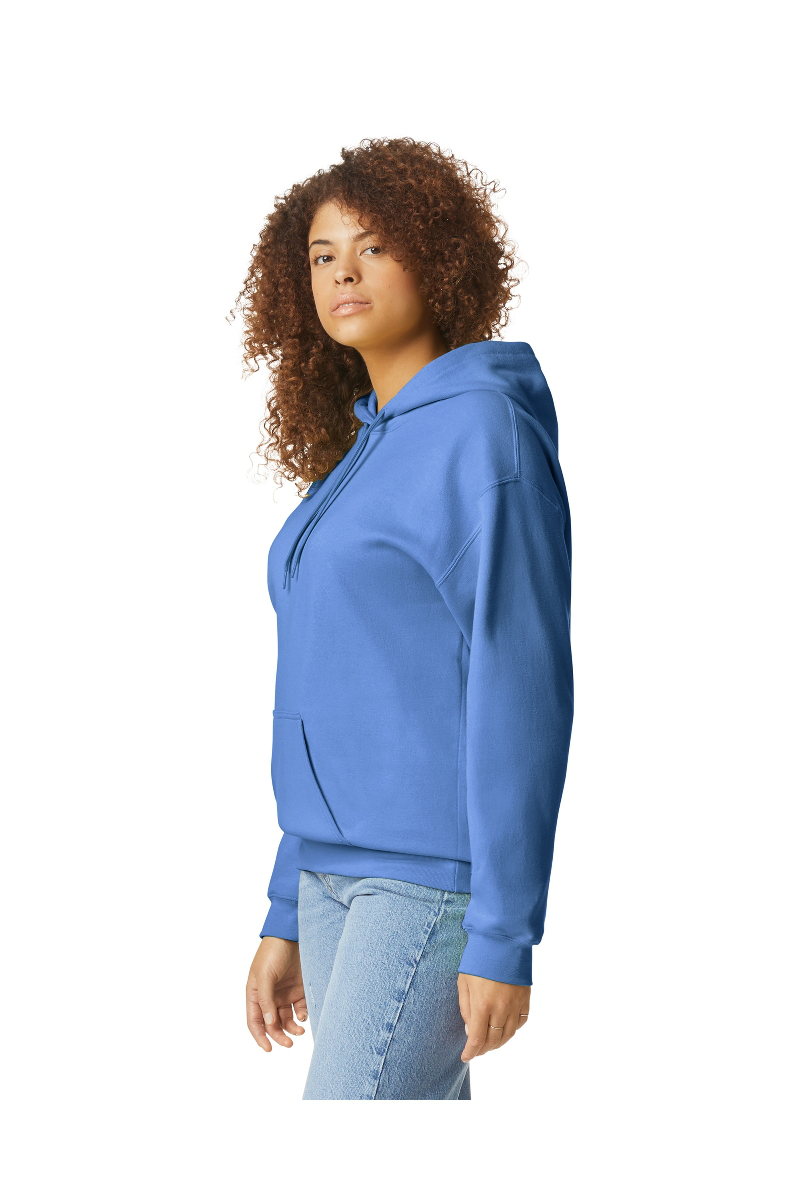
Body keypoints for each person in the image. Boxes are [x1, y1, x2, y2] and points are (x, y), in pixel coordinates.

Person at [235, 137, 574, 1100]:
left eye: (374, 246)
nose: (343, 271)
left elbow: (522, 687)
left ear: (440, 258)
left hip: (428, 884)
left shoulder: (482, 431)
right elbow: (333, 692)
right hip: (330, 878)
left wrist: (504, 933)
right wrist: (286, 904)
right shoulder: (360, 452)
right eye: (322, 254)